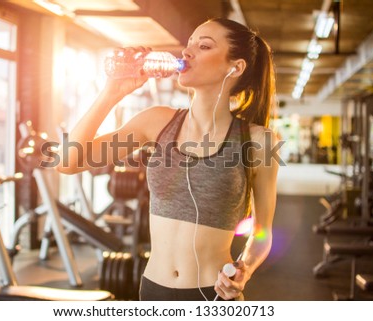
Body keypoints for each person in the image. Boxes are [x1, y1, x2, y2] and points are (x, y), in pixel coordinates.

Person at [56, 17, 280, 301]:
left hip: (214, 295)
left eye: (204, 46)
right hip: (153, 289)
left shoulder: (259, 141)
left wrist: (244, 269)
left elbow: (262, 232)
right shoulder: (156, 122)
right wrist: (111, 92)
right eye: (189, 45)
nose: (187, 52)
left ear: (235, 67)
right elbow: (68, 162)